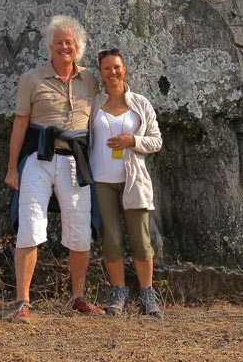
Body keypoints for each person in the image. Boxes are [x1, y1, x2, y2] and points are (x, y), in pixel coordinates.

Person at [5, 15, 104, 323]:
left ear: (78, 47)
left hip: (76, 161)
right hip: (38, 159)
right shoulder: (32, 79)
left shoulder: (90, 79)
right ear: (50, 46)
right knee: (30, 228)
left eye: (70, 42)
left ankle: (77, 297)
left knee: (80, 232)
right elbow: (20, 124)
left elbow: (112, 102)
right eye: (59, 42)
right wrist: (12, 169)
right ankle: (22, 301)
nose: (65, 47)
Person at [89, 48, 163, 318]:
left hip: (133, 180)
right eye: (107, 68)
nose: (113, 72)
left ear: (125, 69)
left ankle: (148, 294)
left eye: (117, 67)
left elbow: (156, 141)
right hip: (102, 181)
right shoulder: (94, 103)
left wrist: (133, 141)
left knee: (141, 241)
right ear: (101, 72)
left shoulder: (141, 104)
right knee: (111, 240)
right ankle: (119, 292)